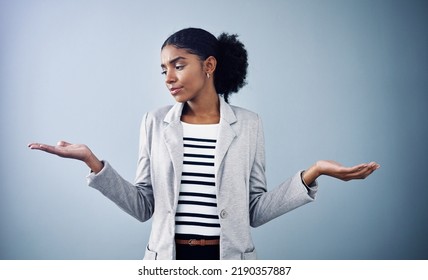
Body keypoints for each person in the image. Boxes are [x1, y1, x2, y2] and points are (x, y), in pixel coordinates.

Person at [28, 27, 380, 260]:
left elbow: (254, 212)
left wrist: (313, 172)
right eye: (163, 68)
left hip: (229, 261)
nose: (168, 77)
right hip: (167, 260)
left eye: (178, 66)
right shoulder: (154, 122)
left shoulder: (249, 125)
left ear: (209, 65)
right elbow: (142, 206)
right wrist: (93, 162)